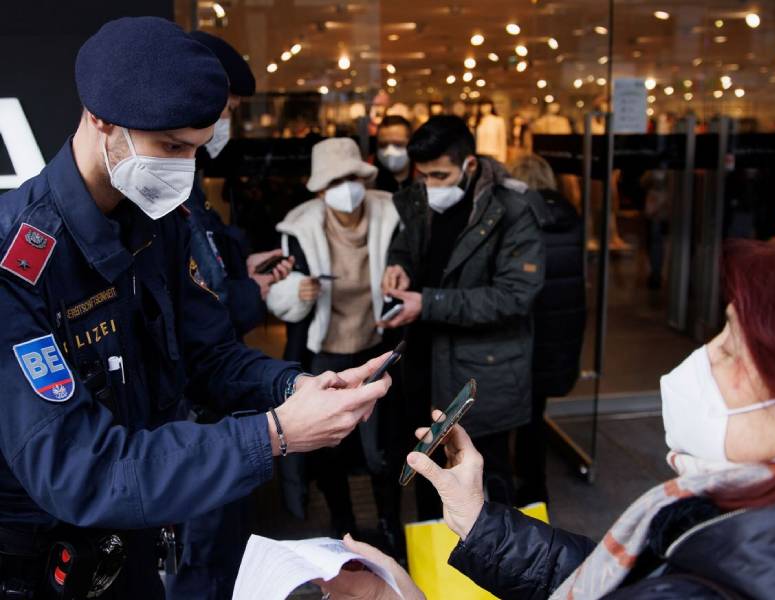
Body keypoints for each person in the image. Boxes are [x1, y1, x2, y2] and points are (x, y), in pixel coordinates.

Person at [0, 18, 391, 598]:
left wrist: (297, 388)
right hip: (45, 569)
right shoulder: (19, 264)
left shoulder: (161, 224)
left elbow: (208, 357)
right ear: (101, 119)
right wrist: (275, 435)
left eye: (196, 148)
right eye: (172, 148)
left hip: (137, 541)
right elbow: (81, 468)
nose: (184, 169)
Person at [324, 239, 775, 600]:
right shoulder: (732, 521)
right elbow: (610, 578)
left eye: (734, 350)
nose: (704, 358)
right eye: (720, 332)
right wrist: (478, 521)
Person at [165, 31, 293, 600]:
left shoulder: (188, 184)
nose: (226, 126)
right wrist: (252, 291)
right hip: (194, 422)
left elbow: (207, 268)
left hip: (221, 404)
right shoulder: (162, 189)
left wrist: (244, 263)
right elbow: (196, 310)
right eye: (228, 112)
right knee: (202, 566)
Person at [380, 115, 544, 516]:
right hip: (423, 362)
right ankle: (431, 571)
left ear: (469, 165)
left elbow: (514, 296)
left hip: (478, 372)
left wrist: (428, 303)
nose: (431, 185)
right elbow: (408, 246)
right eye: (425, 176)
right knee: (428, 471)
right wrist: (397, 263)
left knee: (484, 479)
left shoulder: (513, 209)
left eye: (440, 175)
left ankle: (495, 573)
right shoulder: (420, 198)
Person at [267, 138, 404, 550]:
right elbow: (279, 297)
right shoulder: (300, 226)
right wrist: (297, 292)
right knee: (332, 446)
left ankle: (390, 522)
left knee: (384, 445)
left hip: (377, 343)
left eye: (352, 178)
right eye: (335, 181)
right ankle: (342, 524)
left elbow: (408, 264)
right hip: (325, 349)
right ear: (320, 189)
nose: (346, 189)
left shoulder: (390, 214)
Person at [509, 154, 586, 506]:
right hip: (559, 328)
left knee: (514, 413)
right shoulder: (570, 214)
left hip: (525, 331)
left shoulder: (519, 217)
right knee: (535, 412)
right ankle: (534, 485)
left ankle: (522, 483)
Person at [374, 115, 415, 194]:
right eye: (383, 145)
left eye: (398, 144)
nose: (390, 151)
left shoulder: (425, 176)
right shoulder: (368, 178)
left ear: (411, 144)